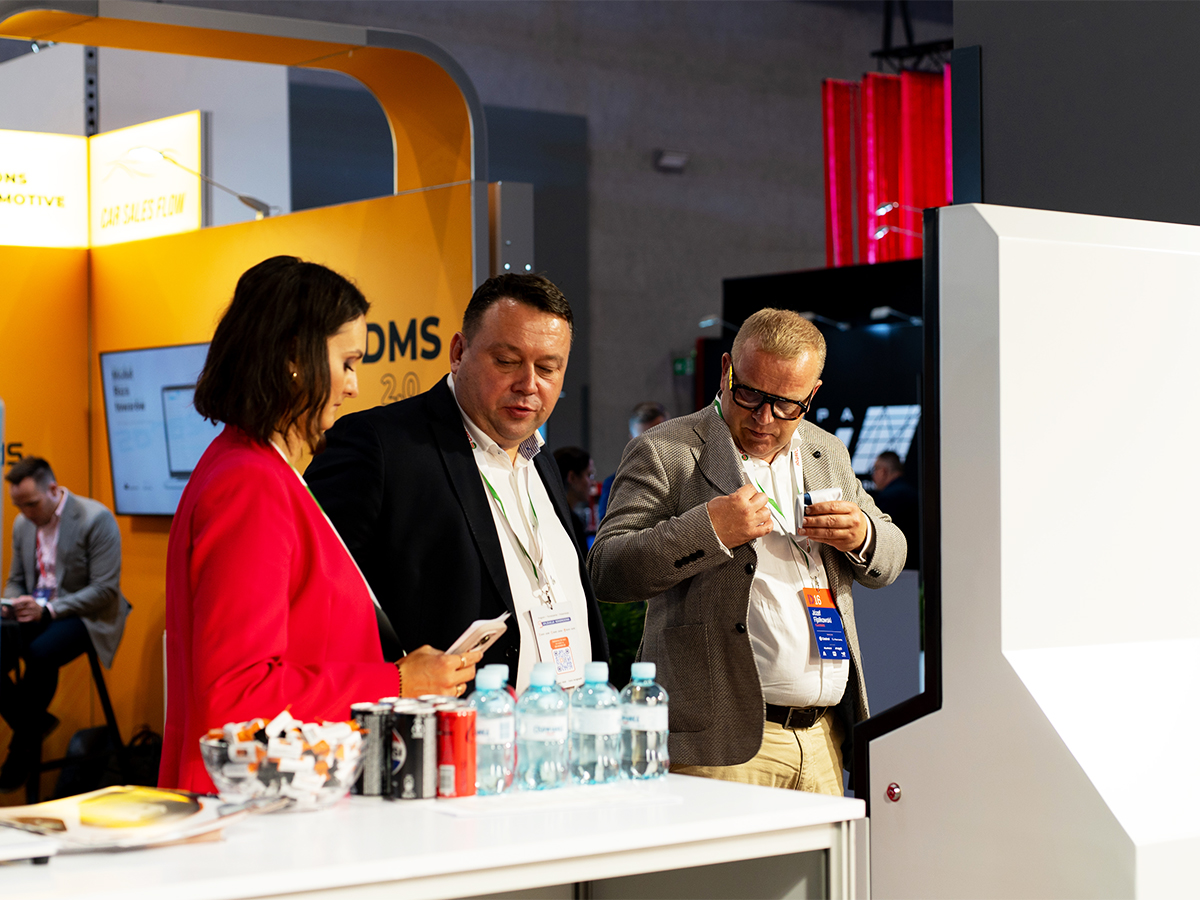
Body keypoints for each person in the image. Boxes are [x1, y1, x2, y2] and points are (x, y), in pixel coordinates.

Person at [159, 256, 482, 794]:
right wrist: (397, 680)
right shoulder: (250, 482)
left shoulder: (256, 469)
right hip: (258, 803)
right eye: (348, 362)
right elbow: (237, 693)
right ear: (294, 357)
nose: (354, 386)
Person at [589, 308, 905, 794]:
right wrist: (707, 531)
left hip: (823, 739)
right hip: (721, 746)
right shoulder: (667, 450)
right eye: (750, 394)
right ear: (726, 371)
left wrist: (863, 533)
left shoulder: (826, 452)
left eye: (786, 405)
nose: (764, 418)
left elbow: (891, 554)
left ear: (812, 395)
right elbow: (607, 569)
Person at [306, 273, 608, 693]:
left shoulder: (541, 459)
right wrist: (391, 684)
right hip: (446, 726)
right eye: (507, 361)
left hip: (567, 723)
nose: (528, 384)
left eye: (547, 368)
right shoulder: (379, 445)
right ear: (458, 352)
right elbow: (314, 610)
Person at [0, 457, 131, 791]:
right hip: (37, 609)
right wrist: (12, 603)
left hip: (87, 614)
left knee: (39, 653)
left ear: (53, 489)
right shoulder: (23, 524)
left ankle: (21, 747)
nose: (25, 512)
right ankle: (31, 726)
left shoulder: (95, 518)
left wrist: (48, 610)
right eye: (18, 505)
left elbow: (104, 590)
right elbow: (16, 580)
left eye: (31, 503)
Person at [597, 401, 668, 521]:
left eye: (658, 438)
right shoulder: (615, 486)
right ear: (631, 441)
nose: (652, 447)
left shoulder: (690, 476)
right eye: (643, 441)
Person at [871, 451, 919, 569]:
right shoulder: (910, 491)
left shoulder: (889, 497)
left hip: (902, 566)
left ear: (883, 471)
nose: (873, 476)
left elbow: (880, 535)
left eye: (875, 469)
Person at [553, 446, 595, 549]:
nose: (593, 483)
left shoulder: (552, 514)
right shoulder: (571, 523)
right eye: (589, 475)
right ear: (572, 477)